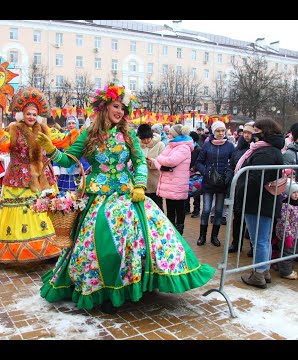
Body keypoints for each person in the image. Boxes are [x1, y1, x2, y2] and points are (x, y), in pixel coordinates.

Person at [36, 83, 215, 314]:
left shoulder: (128, 133)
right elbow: (70, 161)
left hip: (127, 193)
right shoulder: (89, 133)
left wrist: (140, 185)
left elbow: (140, 161)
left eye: (123, 108)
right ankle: (106, 289)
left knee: (147, 241)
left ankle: (136, 283)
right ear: (104, 107)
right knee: (102, 244)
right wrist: (51, 150)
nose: (120, 111)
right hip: (98, 197)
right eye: (116, 106)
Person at [0, 87, 62, 264]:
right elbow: (3, 145)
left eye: (34, 114)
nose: (31, 117)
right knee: (25, 212)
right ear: (22, 114)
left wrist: (77, 135)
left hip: (42, 177)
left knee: (44, 210)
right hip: (20, 178)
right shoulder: (14, 130)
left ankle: (50, 248)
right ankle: (18, 251)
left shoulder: (44, 129)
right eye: (28, 113)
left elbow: (58, 142)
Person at [234, 118, 285, 289]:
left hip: (257, 201)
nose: (252, 133)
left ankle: (259, 274)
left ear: (264, 131)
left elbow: (256, 178)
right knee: (263, 239)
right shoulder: (271, 150)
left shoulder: (265, 152)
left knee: (260, 240)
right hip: (264, 201)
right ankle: (264, 271)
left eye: (256, 130)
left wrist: (240, 191)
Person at [195, 120, 235, 247]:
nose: (221, 133)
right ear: (213, 131)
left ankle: (214, 236)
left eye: (223, 131)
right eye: (218, 131)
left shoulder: (229, 146)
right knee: (206, 209)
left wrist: (228, 174)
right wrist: (206, 172)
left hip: (222, 183)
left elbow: (233, 163)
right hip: (208, 182)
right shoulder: (207, 145)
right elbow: (199, 162)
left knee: (218, 211)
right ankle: (202, 236)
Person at [154, 124, 193, 235]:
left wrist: (160, 159)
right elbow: (160, 162)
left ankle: (179, 231)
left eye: (170, 133)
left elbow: (170, 161)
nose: (168, 135)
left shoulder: (184, 147)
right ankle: (171, 231)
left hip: (178, 184)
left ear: (175, 135)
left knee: (179, 209)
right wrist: (161, 166)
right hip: (169, 184)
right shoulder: (171, 146)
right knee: (170, 209)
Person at [228, 121, 254, 254]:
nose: (247, 135)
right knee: (238, 217)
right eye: (245, 133)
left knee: (251, 219)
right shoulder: (238, 149)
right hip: (239, 187)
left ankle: (253, 246)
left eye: (250, 133)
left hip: (252, 188)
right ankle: (236, 243)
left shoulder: (257, 149)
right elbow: (232, 165)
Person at [273, 180, 298, 280]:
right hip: (288, 235)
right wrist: (287, 235)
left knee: (294, 251)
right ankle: (285, 272)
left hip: (296, 234)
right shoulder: (285, 206)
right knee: (287, 252)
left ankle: (283, 267)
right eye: (293, 193)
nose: (296, 195)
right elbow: (284, 221)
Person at [137, 123, 165, 211]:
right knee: (143, 209)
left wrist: (152, 162)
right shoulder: (136, 145)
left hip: (155, 182)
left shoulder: (160, 145)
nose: (145, 141)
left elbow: (163, 162)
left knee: (157, 208)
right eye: (143, 139)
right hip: (141, 182)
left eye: (147, 138)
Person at [187, 130, 202, 218]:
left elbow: (200, 161)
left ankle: (196, 210)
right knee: (187, 191)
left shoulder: (198, 149)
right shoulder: (187, 148)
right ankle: (187, 209)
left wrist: (194, 167)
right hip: (187, 173)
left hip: (196, 174)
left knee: (196, 193)